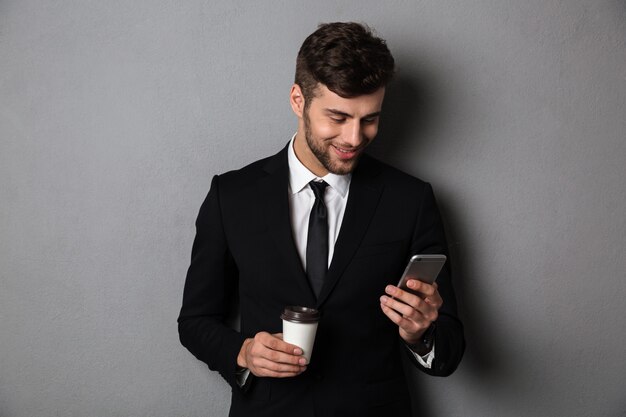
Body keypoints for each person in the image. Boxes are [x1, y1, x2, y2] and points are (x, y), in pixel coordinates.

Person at [178, 22, 464, 417]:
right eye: (338, 117)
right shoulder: (232, 196)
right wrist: (242, 352)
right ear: (298, 100)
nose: (353, 138)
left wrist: (420, 333)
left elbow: (449, 349)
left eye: (369, 119)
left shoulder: (410, 200)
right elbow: (194, 320)